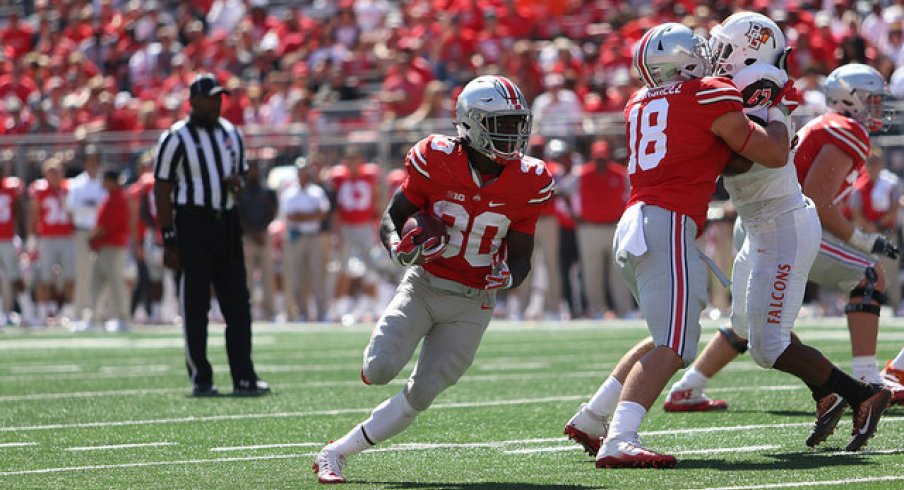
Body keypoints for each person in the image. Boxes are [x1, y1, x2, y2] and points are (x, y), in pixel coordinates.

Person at [563, 22, 793, 469]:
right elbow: (771, 154)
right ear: (683, 61)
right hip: (665, 223)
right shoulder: (707, 93)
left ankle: (593, 418)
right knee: (674, 344)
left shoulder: (639, 101)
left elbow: (712, 148)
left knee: (666, 337)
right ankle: (621, 438)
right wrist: (777, 114)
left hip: (637, 221)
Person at [313, 75, 554, 484]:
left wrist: (506, 276)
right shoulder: (436, 157)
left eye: (518, 123)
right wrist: (398, 246)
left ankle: (336, 451)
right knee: (379, 369)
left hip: (473, 302)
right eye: (503, 124)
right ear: (472, 125)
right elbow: (392, 216)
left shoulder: (530, 179)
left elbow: (521, 260)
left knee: (422, 394)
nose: (515, 134)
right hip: (424, 284)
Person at [664, 63, 904, 420]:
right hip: (788, 224)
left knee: (751, 319)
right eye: (871, 100)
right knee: (869, 275)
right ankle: (868, 379)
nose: (878, 108)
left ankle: (689, 385)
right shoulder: (846, 128)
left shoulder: (827, 125)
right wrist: (865, 242)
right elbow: (818, 200)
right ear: (849, 100)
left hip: (761, 221)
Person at [154, 73, 269, 397]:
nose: (218, 103)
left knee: (238, 304)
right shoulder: (175, 138)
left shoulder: (232, 133)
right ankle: (201, 377)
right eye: (211, 98)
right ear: (194, 101)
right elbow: (162, 188)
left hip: (227, 222)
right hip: (193, 223)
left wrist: (239, 183)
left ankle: (244, 376)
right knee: (195, 304)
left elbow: (241, 174)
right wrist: (169, 236)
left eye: (221, 97)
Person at [280, 157, 330, 322]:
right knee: (297, 278)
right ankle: (302, 312)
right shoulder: (289, 193)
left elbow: (323, 214)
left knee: (318, 276)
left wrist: (303, 216)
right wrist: (311, 215)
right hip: (297, 238)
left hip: (314, 237)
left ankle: (322, 313)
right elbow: (291, 217)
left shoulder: (317, 191)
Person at [81, 169, 131, 332]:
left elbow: (108, 225)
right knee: (95, 283)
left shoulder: (117, 198)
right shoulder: (110, 197)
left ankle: (121, 318)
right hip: (103, 247)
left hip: (112, 247)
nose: (102, 183)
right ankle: (92, 319)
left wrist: (92, 237)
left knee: (116, 283)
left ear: (111, 181)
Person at [28, 157, 75, 325]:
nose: (54, 176)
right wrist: (32, 238)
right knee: (44, 277)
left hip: (68, 237)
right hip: (47, 237)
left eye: (57, 172)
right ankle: (43, 313)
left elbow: (77, 215)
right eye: (51, 172)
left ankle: (69, 313)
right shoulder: (39, 190)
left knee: (70, 277)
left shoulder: (70, 188)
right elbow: (33, 215)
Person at [66, 144, 105, 321]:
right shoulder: (76, 183)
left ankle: (99, 313)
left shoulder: (105, 182)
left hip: (102, 232)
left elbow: (105, 207)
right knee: (82, 273)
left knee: (103, 274)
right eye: (89, 161)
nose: (92, 164)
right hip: (83, 231)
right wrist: (93, 206)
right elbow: (73, 208)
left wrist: (90, 206)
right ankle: (79, 313)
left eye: (95, 161)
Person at [237, 161, 278, 322]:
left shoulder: (267, 190)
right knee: (247, 278)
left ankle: (270, 312)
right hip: (248, 236)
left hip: (264, 235)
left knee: (268, 275)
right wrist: (252, 232)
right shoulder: (241, 192)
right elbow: (239, 214)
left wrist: (261, 230)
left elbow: (272, 211)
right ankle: (249, 311)